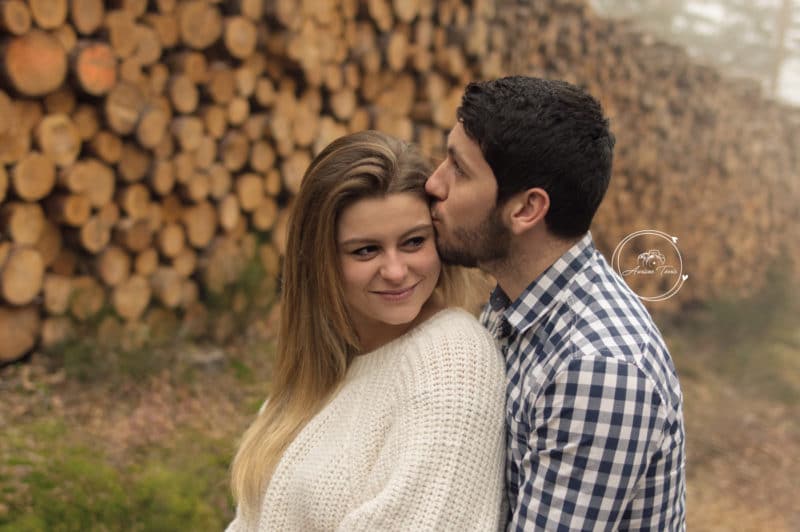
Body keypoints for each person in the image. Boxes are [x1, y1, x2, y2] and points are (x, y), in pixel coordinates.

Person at [425, 76, 686, 531]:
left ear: (526, 210)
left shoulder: (599, 370)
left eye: (459, 170)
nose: (433, 183)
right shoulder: (519, 301)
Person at [226, 130, 506, 531]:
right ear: (319, 261)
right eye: (365, 250)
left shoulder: (452, 360)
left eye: (413, 242)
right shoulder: (321, 368)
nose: (395, 271)